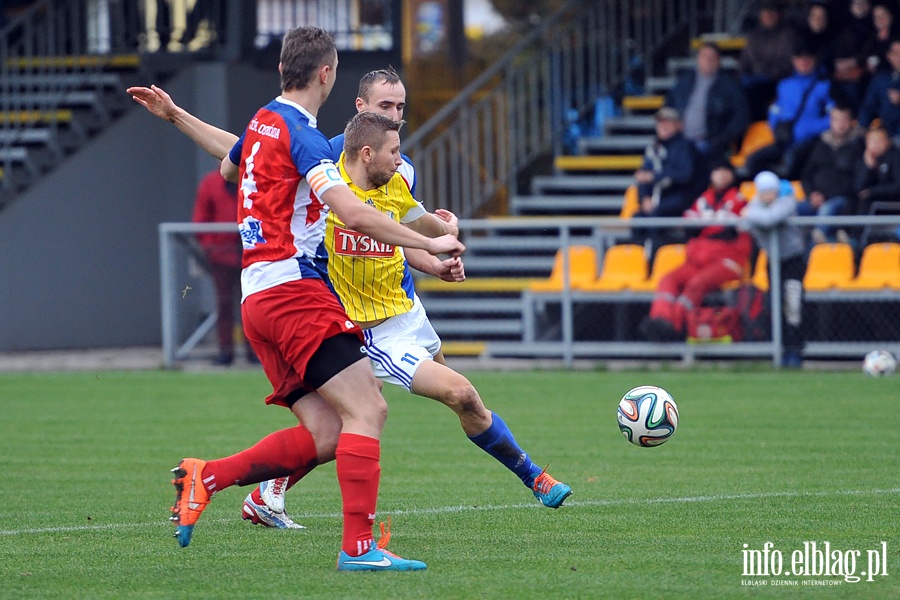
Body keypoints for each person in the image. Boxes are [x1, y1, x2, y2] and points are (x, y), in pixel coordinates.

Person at [129, 69, 571, 530]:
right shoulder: (319, 161)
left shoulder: (396, 167)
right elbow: (242, 153)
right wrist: (178, 116)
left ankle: (270, 491)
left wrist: (439, 254)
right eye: (386, 108)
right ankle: (527, 481)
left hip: (406, 309)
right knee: (403, 402)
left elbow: (400, 234)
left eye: (401, 107)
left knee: (431, 404)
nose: (396, 117)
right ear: (359, 107)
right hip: (358, 320)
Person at [165, 26, 464, 572]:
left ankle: (205, 476)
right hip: (294, 292)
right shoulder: (302, 133)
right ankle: (359, 551)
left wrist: (176, 115)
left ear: (284, 69)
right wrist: (431, 239)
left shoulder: (261, 122)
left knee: (328, 433)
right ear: (327, 74)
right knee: (369, 408)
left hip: (257, 300)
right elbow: (352, 212)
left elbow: (230, 162)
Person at [638, 162, 751, 342]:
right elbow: (689, 223)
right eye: (717, 170)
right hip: (698, 260)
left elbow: (728, 225)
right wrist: (711, 224)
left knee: (696, 284)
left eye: (725, 171)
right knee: (668, 280)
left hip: (727, 262)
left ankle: (673, 328)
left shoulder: (740, 200)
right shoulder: (703, 200)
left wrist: (706, 225)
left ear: (732, 176)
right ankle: (660, 320)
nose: (721, 175)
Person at [741, 171, 806, 368]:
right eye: (765, 192)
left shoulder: (786, 200)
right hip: (773, 260)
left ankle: (795, 350)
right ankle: (780, 349)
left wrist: (752, 215)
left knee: (792, 304)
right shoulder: (757, 203)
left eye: (772, 191)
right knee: (775, 304)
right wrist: (754, 215)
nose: (769, 195)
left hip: (793, 260)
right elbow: (743, 224)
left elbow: (770, 218)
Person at [742, 42, 832, 180]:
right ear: (794, 61)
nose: (804, 62)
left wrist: (809, 128)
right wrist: (776, 127)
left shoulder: (825, 85)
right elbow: (775, 110)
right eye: (800, 58)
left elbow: (834, 116)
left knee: (789, 165)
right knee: (752, 161)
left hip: (809, 142)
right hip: (784, 140)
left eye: (808, 58)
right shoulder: (784, 85)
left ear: (814, 60)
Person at [666, 42, 750, 176]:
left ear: (719, 60)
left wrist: (723, 138)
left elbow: (741, 115)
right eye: (704, 56)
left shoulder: (730, 84)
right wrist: (672, 125)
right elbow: (669, 107)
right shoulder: (684, 81)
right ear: (698, 59)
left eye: (712, 57)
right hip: (681, 141)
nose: (708, 60)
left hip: (712, 144)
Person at [630, 107, 700, 252]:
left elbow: (684, 175)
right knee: (637, 218)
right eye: (660, 123)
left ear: (678, 125)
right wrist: (644, 198)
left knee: (657, 215)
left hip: (680, 197)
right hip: (658, 199)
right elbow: (644, 176)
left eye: (668, 122)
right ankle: (638, 260)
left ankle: (654, 258)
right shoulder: (653, 148)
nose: (663, 126)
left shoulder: (685, 146)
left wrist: (655, 177)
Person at [798, 104, 865, 245]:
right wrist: (812, 194)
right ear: (831, 121)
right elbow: (806, 175)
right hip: (816, 199)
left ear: (851, 121)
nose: (840, 124)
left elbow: (858, 179)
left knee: (827, 208)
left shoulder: (859, 146)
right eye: (836, 120)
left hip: (844, 200)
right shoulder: (820, 145)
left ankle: (817, 241)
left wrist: (827, 196)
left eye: (844, 120)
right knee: (793, 208)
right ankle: (792, 250)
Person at [739, 0, 799, 121]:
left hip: (779, 81)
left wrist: (769, 75)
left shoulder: (788, 35)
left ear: (779, 15)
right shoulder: (753, 36)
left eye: (772, 13)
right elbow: (744, 64)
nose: (769, 16)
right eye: (766, 13)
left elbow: (789, 64)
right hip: (755, 83)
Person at [853, 124, 900, 242]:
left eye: (879, 140)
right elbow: (858, 188)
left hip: (891, 202)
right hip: (873, 202)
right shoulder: (864, 159)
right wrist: (868, 167)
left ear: (887, 141)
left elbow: (898, 187)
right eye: (872, 141)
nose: (876, 144)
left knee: (866, 200)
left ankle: (857, 240)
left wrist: (872, 192)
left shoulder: (895, 157)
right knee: (849, 201)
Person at [857, 39, 900, 141]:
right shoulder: (881, 79)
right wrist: (862, 125)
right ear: (889, 56)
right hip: (883, 133)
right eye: (896, 53)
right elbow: (869, 105)